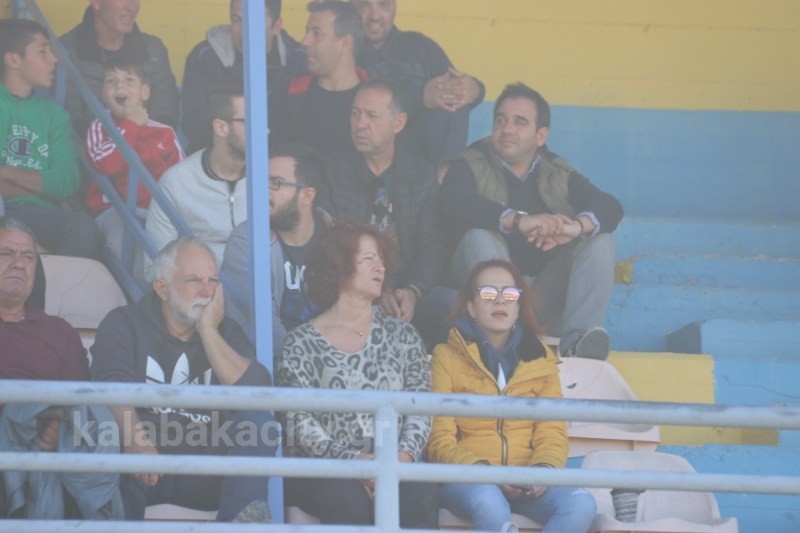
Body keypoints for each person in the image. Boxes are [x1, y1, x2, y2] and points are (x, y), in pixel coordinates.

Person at [89, 236, 275, 523]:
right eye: (194, 280)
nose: (207, 291)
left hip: (203, 471)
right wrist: (135, 440)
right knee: (109, 438)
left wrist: (208, 331)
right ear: (162, 288)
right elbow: (112, 385)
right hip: (142, 464)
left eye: (213, 281)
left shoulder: (226, 332)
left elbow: (257, 394)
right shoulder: (124, 322)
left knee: (260, 422)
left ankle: (241, 525)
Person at [441, 82, 624, 360]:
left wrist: (574, 228)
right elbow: (454, 200)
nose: (507, 129)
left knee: (599, 240)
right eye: (501, 120)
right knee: (480, 237)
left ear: (541, 135)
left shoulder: (556, 171)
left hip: (540, 297)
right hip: (479, 297)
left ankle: (578, 343)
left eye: (520, 122)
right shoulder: (471, 162)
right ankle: (499, 339)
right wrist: (516, 221)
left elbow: (611, 206)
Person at [278, 220, 438, 528]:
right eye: (368, 258)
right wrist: (351, 462)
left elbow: (421, 405)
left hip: (397, 465)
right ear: (338, 266)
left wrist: (401, 458)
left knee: (420, 495)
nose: (380, 267)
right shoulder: (301, 341)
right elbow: (297, 419)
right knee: (344, 498)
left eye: (382, 259)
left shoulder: (404, 335)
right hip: (329, 471)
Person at [427, 259, 597, 532]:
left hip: (528, 479)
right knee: (489, 500)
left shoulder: (541, 358)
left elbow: (552, 432)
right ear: (471, 307)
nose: (500, 300)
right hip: (471, 480)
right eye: (488, 293)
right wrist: (489, 474)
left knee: (581, 503)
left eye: (509, 293)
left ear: (518, 307)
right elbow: (439, 440)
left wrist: (542, 470)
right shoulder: (446, 356)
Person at [0, 216, 123, 520]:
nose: (18, 264)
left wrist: (60, 429)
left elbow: (79, 401)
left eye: (28, 257)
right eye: (6, 253)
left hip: (49, 441)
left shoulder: (59, 331)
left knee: (99, 420)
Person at [321, 80, 447, 342]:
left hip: (408, 289)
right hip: (349, 288)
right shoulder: (331, 170)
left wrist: (413, 291)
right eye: (355, 114)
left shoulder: (421, 174)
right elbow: (332, 244)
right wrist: (375, 290)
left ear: (398, 123)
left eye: (372, 116)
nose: (360, 124)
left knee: (452, 304)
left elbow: (432, 244)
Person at [0, 18, 102, 260]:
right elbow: (54, 187)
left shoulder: (55, 115)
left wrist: (5, 171)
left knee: (84, 228)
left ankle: (43, 282)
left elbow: (66, 182)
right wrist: (43, 189)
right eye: (42, 51)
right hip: (6, 208)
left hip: (42, 215)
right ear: (13, 60)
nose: (53, 59)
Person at [352, 0, 485, 175]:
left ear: (394, 7)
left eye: (383, 5)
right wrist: (422, 96)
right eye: (364, 6)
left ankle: (445, 179)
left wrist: (475, 89)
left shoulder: (420, 46)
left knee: (453, 105)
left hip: (428, 156)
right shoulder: (345, 51)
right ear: (351, 7)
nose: (374, 16)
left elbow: (456, 88)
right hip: (376, 153)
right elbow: (352, 106)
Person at [222, 143, 330, 353]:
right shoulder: (246, 242)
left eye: (275, 183)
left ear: (307, 196)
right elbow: (264, 327)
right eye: (262, 181)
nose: (263, 190)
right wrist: (309, 363)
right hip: (278, 363)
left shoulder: (336, 239)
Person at [85, 54, 184, 260]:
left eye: (129, 80)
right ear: (103, 94)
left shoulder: (164, 132)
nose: (120, 86)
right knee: (127, 242)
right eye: (111, 81)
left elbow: (181, 180)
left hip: (156, 212)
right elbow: (107, 165)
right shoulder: (99, 126)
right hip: (114, 210)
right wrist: (131, 124)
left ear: (144, 92)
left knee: (175, 249)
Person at [144, 83, 247, 280]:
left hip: (262, 290)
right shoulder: (177, 181)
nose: (266, 130)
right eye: (251, 120)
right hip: (203, 288)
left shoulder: (270, 178)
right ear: (221, 127)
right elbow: (155, 269)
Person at [182, 0, 307, 155]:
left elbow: (303, 129)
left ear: (276, 26)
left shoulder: (298, 60)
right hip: (219, 156)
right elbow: (194, 124)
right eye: (236, 20)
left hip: (280, 159)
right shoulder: (205, 57)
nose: (243, 31)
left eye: (254, 21)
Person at [60, 0, 180, 136]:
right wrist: (105, 145)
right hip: (90, 147)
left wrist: (148, 144)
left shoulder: (153, 51)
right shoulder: (65, 52)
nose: (131, 7)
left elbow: (165, 111)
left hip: (147, 146)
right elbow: (70, 120)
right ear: (96, 2)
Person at [271, 0, 367, 156]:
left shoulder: (377, 99)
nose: (305, 41)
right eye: (307, 32)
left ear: (345, 43)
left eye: (316, 33)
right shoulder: (288, 91)